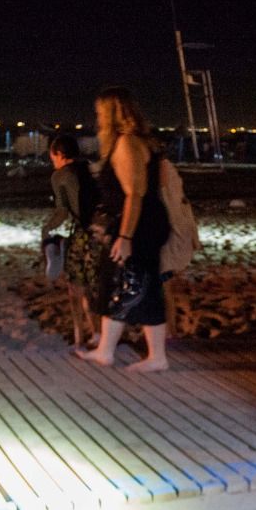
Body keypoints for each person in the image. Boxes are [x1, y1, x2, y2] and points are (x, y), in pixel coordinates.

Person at [77, 87, 170, 372]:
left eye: (101, 112)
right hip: (143, 222)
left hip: (138, 226)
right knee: (120, 282)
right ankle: (106, 350)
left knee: (136, 284)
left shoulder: (127, 144)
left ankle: (156, 357)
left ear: (113, 112)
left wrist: (126, 237)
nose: (98, 118)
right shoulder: (142, 142)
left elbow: (134, 194)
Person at [42, 132, 102, 348]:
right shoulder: (91, 169)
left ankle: (78, 337)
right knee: (95, 287)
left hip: (82, 233)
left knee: (76, 287)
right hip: (102, 234)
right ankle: (98, 334)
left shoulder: (60, 176)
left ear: (59, 154)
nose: (53, 163)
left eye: (53, 158)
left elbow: (62, 212)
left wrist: (46, 230)